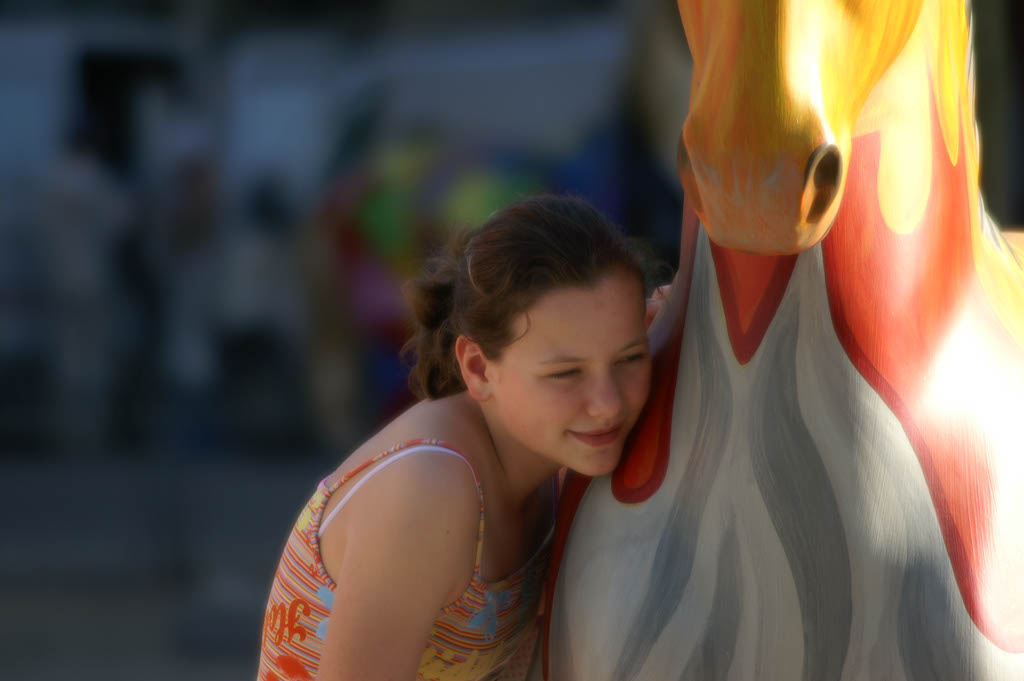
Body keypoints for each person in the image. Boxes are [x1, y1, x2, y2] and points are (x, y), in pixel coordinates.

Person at [257, 194, 654, 681]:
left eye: (631, 358)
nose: (609, 403)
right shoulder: (430, 489)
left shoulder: (554, 452)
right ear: (478, 367)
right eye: (566, 374)